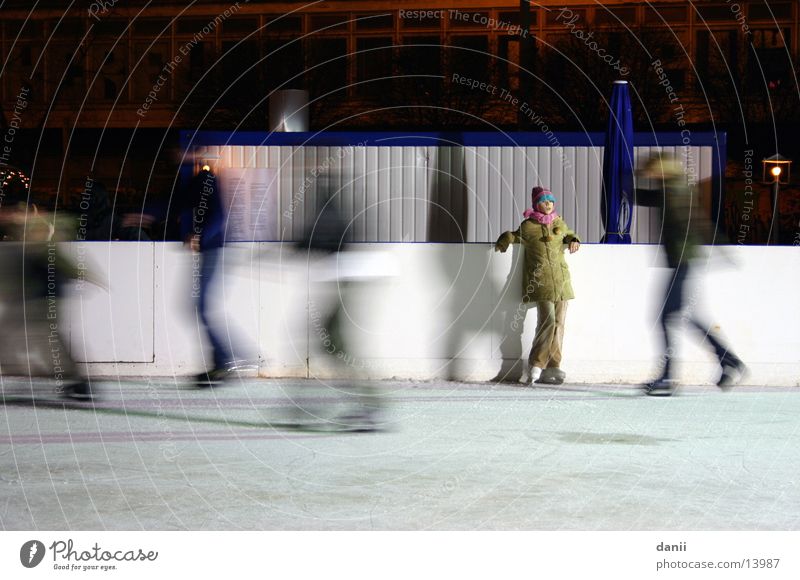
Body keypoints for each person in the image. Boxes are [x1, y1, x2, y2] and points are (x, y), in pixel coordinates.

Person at [635, 153, 746, 396]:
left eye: (651, 170)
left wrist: (720, 246)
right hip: (681, 262)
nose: (649, 175)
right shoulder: (672, 189)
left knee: (666, 317)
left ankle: (669, 377)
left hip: (682, 261)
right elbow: (650, 197)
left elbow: (697, 223)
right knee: (678, 316)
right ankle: (728, 360)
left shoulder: (675, 192)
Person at [495, 186, 581, 385]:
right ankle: (536, 365)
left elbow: (569, 234)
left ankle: (554, 366)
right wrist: (505, 238)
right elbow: (515, 235)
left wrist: (574, 239)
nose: (548, 204)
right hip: (541, 283)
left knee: (559, 325)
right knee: (548, 322)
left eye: (551, 200)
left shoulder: (560, 222)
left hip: (562, 283)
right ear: (536, 204)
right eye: (544, 201)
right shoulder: (528, 226)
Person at [179, 166, 245, 387]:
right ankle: (223, 361)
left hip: (214, 251)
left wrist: (200, 235)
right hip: (212, 250)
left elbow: (218, 216)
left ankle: (228, 358)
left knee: (202, 307)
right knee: (201, 307)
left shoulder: (205, 181)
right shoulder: (197, 183)